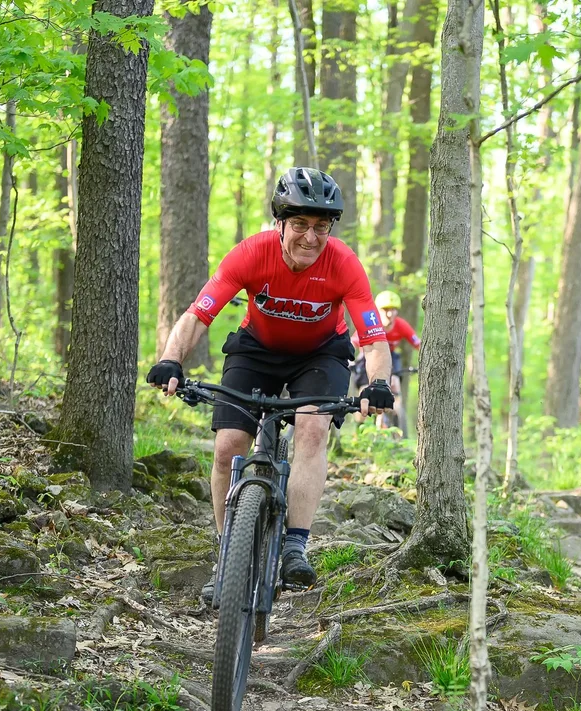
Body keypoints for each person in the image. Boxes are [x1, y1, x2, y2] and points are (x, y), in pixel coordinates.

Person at [146, 167, 395, 595]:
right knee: (228, 446)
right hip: (256, 350)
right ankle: (228, 554)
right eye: (299, 224)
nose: (310, 237)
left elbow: (374, 340)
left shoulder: (344, 264)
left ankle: (296, 545)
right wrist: (171, 359)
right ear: (280, 222)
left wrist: (378, 384)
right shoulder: (250, 254)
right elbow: (199, 314)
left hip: (320, 354)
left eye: (321, 227)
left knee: (313, 429)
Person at [351, 289, 420, 429]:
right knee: (364, 393)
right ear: (378, 311)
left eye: (393, 310)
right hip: (368, 357)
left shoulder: (401, 325)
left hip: (391, 359)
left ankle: (398, 430)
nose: (390, 314)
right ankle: (358, 431)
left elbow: (418, 343)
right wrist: (348, 359)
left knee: (395, 384)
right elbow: (353, 342)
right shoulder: (370, 323)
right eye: (385, 310)